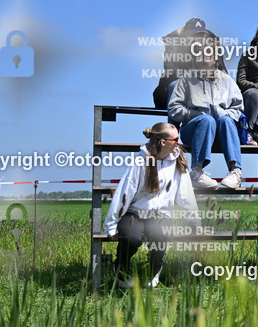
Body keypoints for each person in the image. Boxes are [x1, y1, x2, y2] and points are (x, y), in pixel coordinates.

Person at [104, 123, 199, 288]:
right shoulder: (140, 162)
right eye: (175, 139)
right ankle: (121, 271)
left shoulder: (178, 163)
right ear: (163, 142)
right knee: (132, 239)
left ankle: (153, 274)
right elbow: (124, 194)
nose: (178, 142)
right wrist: (111, 226)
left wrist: (195, 222)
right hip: (135, 213)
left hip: (161, 215)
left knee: (161, 237)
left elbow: (186, 196)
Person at [167, 48, 244, 189]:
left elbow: (238, 108)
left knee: (226, 120)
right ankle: (197, 172)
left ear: (215, 60)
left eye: (207, 56)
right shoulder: (185, 80)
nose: (202, 59)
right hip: (194, 130)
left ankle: (235, 172)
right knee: (206, 120)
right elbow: (174, 108)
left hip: (221, 133)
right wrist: (193, 114)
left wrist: (224, 115)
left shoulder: (227, 80)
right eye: (199, 56)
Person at [152, 18, 228, 109]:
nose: (198, 37)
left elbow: (221, 68)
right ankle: (174, 121)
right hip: (179, 81)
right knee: (174, 85)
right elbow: (170, 68)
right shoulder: (175, 41)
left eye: (200, 34)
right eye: (194, 34)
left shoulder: (212, 42)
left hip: (204, 83)